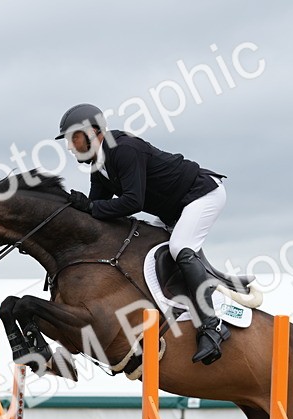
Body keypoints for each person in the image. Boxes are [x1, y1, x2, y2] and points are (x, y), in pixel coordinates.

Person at [55, 103, 230, 364]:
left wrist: (90, 206)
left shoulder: (124, 149)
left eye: (74, 138)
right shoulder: (98, 165)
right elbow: (96, 211)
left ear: (92, 133)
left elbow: (132, 202)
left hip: (201, 195)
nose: (70, 146)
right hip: (175, 209)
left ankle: (212, 326)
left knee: (180, 248)